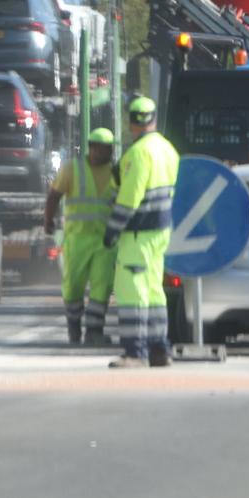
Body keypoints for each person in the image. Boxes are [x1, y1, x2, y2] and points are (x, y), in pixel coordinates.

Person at [103, 97, 180, 368]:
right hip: (161, 231)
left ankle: (135, 353)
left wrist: (112, 231)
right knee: (153, 290)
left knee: (131, 290)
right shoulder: (169, 150)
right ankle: (160, 349)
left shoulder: (137, 154)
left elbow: (129, 199)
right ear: (154, 118)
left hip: (138, 232)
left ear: (131, 122)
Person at [44, 127, 118, 345]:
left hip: (106, 241)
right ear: (91, 148)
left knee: (102, 286)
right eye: (101, 149)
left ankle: (94, 331)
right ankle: (74, 329)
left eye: (108, 150)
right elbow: (54, 196)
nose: (105, 154)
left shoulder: (116, 173)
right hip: (77, 240)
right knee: (73, 286)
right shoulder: (72, 169)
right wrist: (48, 220)